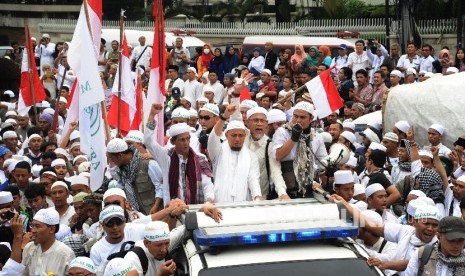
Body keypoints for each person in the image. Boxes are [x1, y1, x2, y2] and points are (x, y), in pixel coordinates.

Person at [144, 104, 214, 206]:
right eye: (182, 140)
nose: (186, 142)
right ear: (172, 142)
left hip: (195, 209)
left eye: (187, 139)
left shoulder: (200, 159)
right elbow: (148, 141)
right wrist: (152, 114)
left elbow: (207, 184)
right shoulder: (166, 156)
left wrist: (209, 201)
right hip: (173, 210)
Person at [208, 105, 263, 202]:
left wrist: (257, 196)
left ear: (245, 136)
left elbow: (253, 178)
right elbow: (213, 137)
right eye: (234, 135)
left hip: (242, 204)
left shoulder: (251, 156)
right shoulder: (218, 151)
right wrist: (224, 117)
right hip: (219, 203)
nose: (237, 139)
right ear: (226, 135)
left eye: (241, 135)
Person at [272, 101, 328, 198]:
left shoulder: (316, 136)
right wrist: (293, 138)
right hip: (287, 186)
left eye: (302, 117)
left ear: (311, 118)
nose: (298, 120)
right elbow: (278, 155)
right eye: (295, 116)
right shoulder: (282, 131)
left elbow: (322, 160)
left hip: (309, 185)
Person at [106, 137, 162, 215]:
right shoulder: (122, 171)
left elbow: (160, 187)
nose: (112, 161)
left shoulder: (148, 163)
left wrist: (155, 207)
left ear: (120, 156)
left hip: (156, 212)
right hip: (138, 215)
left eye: (112, 158)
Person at [245, 107, 289, 199]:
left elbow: (275, 171)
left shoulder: (270, 145)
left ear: (266, 124)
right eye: (255, 120)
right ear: (247, 122)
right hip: (240, 196)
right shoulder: (241, 140)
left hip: (261, 198)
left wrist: (282, 192)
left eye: (262, 121)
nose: (259, 124)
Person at [22, 208, 75, 275]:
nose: (33, 230)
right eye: (32, 226)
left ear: (52, 229)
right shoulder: (29, 248)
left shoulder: (66, 254)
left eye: (37, 226)